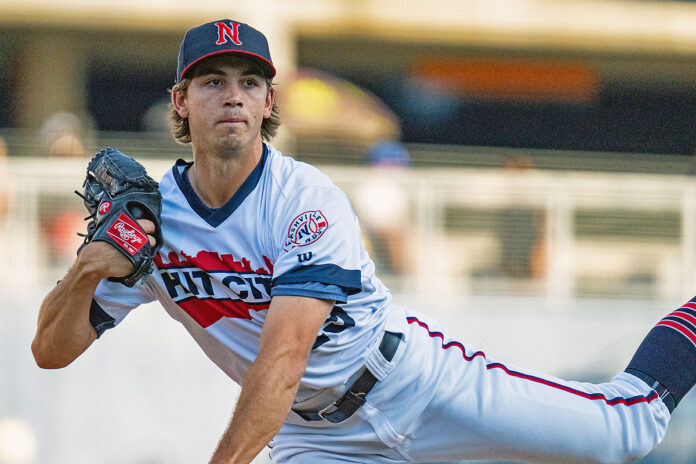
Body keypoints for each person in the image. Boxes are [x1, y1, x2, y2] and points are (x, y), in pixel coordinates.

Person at [32, 19, 694, 464]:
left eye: (249, 82)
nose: (232, 96)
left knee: (626, 430)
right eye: (212, 82)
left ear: (269, 103)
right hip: (311, 441)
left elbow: (285, 356)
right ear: (180, 101)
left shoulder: (305, 200)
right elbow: (50, 352)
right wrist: (87, 271)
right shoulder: (151, 221)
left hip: (415, 387)